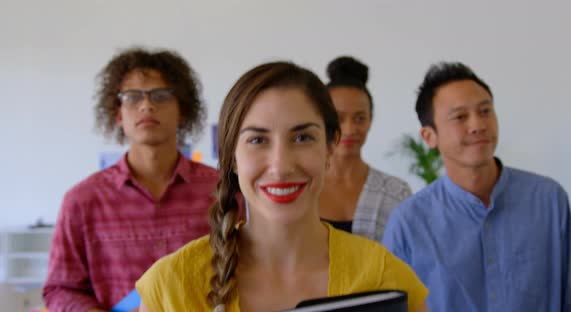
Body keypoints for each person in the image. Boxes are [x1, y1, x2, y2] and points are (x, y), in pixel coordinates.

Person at [136, 62, 429, 312]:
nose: (280, 165)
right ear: (232, 157)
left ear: (330, 147)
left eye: (302, 138)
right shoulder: (171, 288)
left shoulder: (386, 278)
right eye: (257, 140)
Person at [382, 62, 571, 311]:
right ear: (430, 136)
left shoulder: (547, 199)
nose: (478, 125)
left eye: (485, 111)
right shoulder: (408, 222)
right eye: (460, 117)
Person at [43, 48, 219, 311]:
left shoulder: (222, 191)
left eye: (160, 95)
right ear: (118, 115)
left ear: (182, 110)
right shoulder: (82, 201)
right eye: (132, 97)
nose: (146, 105)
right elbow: (60, 289)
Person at [319, 56, 412, 241]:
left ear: (370, 121)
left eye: (360, 118)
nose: (349, 129)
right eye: (339, 118)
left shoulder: (396, 193)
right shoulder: (302, 186)